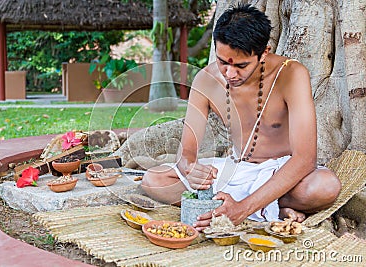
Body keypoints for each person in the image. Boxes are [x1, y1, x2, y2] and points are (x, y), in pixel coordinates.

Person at [141, 4, 341, 231]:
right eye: (223, 62)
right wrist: (192, 170)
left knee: (325, 187)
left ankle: (254, 207)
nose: (230, 74)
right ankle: (269, 208)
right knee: (153, 180)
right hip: (237, 171)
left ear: (264, 52)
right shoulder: (205, 80)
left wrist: (242, 209)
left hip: (282, 175)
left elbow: (304, 159)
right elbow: (187, 154)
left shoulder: (291, 74)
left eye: (242, 65)